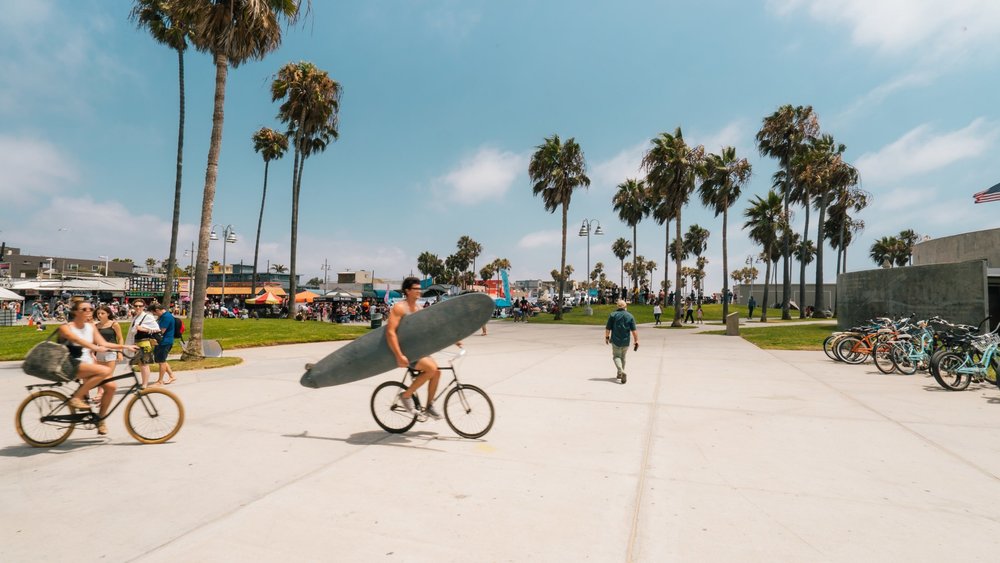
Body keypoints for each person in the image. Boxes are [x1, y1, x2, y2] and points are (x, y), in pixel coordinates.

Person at [386, 276, 461, 421]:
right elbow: (390, 332)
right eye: (416, 289)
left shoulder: (419, 308)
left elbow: (431, 329)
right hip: (407, 352)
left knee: (437, 372)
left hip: (419, 350)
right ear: (407, 291)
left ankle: (429, 407)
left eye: (420, 288)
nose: (419, 291)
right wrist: (399, 355)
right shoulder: (399, 308)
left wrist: (453, 339)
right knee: (431, 369)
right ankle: (406, 395)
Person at [60, 301, 136, 435]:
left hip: (87, 363)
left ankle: (100, 420)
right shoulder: (67, 327)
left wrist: (124, 347)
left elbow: (104, 343)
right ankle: (77, 397)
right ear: (75, 312)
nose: (89, 311)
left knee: (111, 387)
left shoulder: (91, 328)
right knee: (105, 370)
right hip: (71, 363)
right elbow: (76, 339)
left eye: (90, 308)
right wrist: (94, 348)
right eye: (84, 309)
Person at [125, 299, 162, 388]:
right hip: (137, 343)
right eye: (136, 306)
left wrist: (143, 328)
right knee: (140, 364)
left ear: (144, 307)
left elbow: (157, 329)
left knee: (144, 364)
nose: (138, 307)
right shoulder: (136, 317)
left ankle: (145, 384)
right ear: (133, 306)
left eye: (140, 306)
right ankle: (143, 383)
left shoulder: (148, 316)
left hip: (145, 342)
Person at [93, 305, 124, 403]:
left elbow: (120, 338)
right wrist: (93, 353)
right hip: (99, 352)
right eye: (98, 313)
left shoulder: (114, 324)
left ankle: (104, 395)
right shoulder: (96, 326)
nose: (100, 315)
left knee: (108, 375)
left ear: (108, 314)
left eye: (102, 313)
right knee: (99, 375)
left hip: (111, 352)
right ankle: (99, 393)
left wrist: (120, 352)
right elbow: (94, 341)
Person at [605, 299, 638, 384]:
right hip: (626, 341)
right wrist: (636, 340)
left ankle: (621, 371)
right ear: (625, 307)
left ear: (617, 306)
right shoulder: (630, 316)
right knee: (623, 357)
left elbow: (608, 328)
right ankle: (620, 374)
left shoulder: (613, 315)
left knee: (616, 357)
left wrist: (607, 337)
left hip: (616, 340)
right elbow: (634, 330)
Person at [149, 302, 176, 385]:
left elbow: (161, 331)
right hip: (162, 342)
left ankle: (160, 381)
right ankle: (172, 376)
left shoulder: (166, 317)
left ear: (157, 310)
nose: (154, 315)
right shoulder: (163, 316)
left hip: (165, 342)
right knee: (161, 360)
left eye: (154, 313)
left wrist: (149, 332)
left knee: (162, 362)